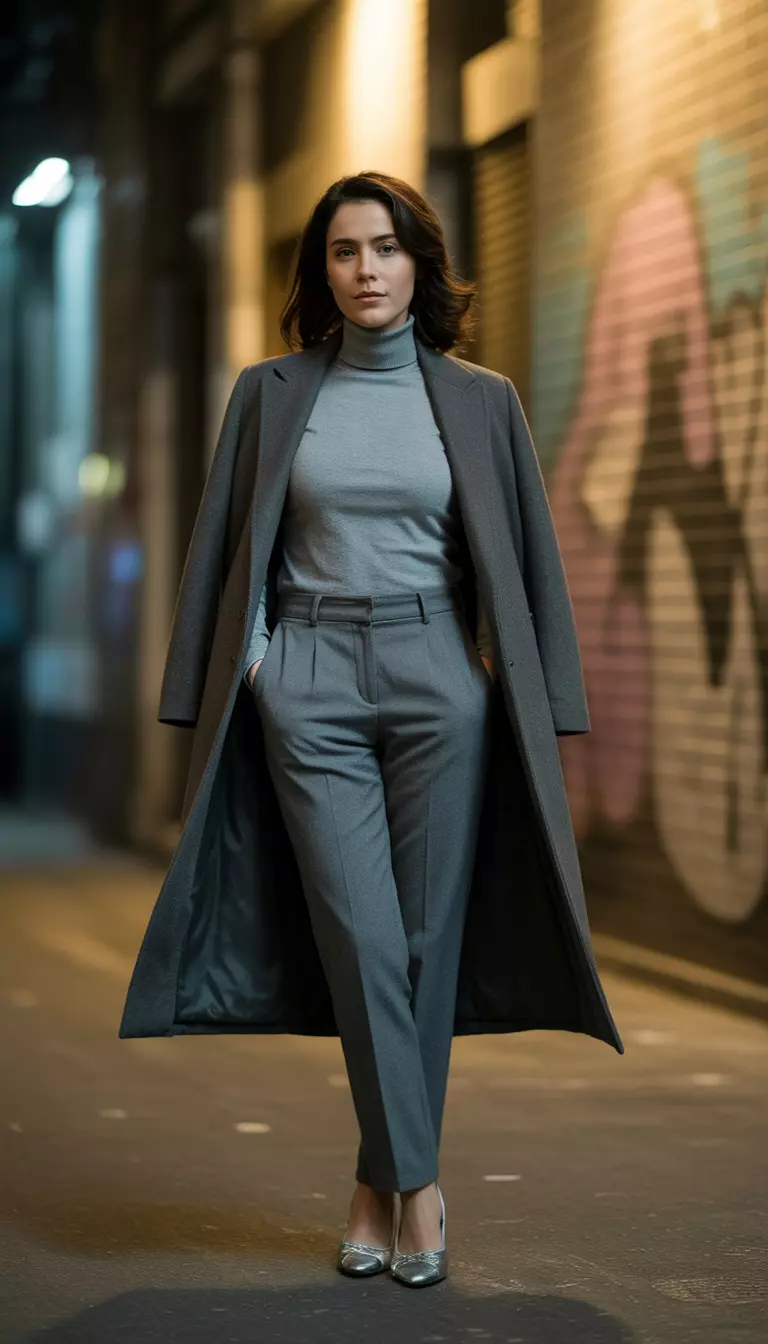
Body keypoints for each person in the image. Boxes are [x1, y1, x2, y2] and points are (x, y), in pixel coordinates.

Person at [119, 169, 624, 1293]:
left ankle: (375, 1183)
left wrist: (535, 696)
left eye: (386, 249)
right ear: (323, 273)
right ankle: (422, 1185)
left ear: (419, 266)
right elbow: (219, 543)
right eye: (345, 252)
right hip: (306, 676)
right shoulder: (269, 392)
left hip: (441, 672)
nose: (366, 270)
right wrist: (240, 671)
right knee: (358, 932)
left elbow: (530, 559)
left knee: (425, 944)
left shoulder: (482, 400)